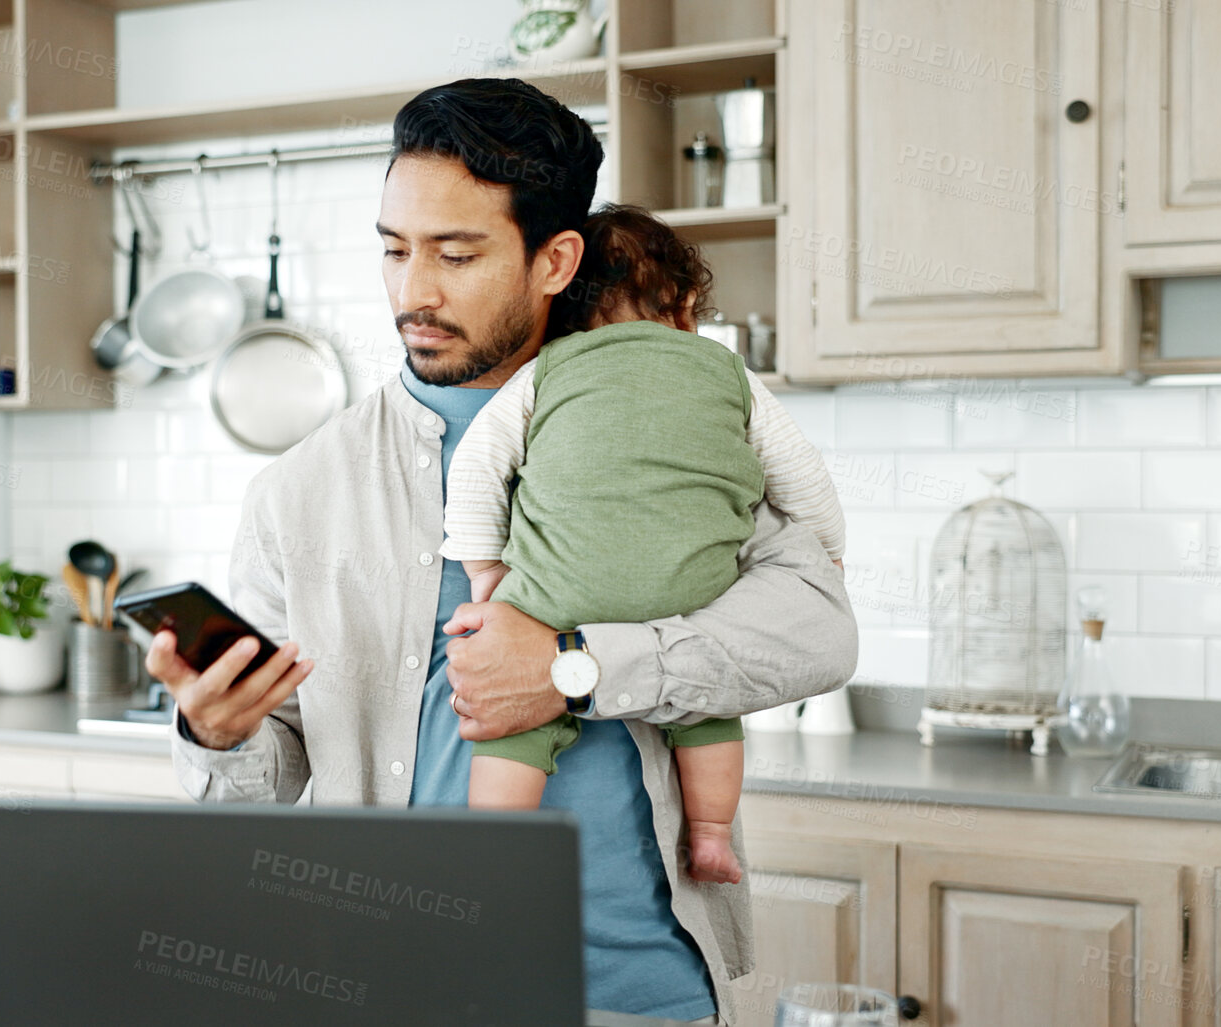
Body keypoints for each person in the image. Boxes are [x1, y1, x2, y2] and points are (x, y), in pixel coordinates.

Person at [147, 78, 858, 1025]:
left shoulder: (673, 428)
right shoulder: (299, 490)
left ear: (555, 258)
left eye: (457, 253)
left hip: (631, 993)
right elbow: (265, 781)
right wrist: (218, 731)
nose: (415, 291)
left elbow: (818, 632)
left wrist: (575, 672)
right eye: (394, 251)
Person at [440, 203, 845, 888]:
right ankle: (712, 834)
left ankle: (497, 849)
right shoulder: (724, 369)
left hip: (555, 593)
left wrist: (485, 567)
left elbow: (479, 464)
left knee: (512, 725)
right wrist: (829, 550)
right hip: (694, 590)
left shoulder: (549, 369)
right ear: (685, 301)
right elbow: (800, 472)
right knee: (706, 703)